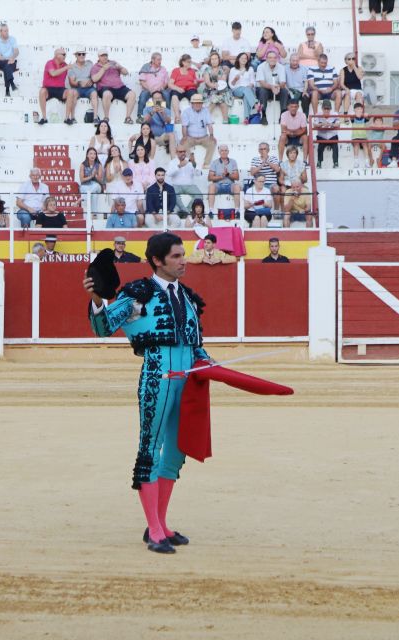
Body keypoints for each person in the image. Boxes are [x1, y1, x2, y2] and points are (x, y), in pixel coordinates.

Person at [84, 231, 213, 553]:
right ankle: (154, 530)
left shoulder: (187, 297)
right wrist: (99, 300)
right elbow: (103, 329)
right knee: (149, 449)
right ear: (157, 260)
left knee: (174, 452)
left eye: (184, 255)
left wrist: (209, 363)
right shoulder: (138, 293)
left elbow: (195, 345)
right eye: (176, 256)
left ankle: (162, 523)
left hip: (186, 381)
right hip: (157, 376)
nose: (183, 261)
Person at [91, 51, 135, 124]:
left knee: (132, 94)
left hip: (119, 87)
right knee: (106, 94)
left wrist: (120, 67)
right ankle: (106, 117)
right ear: (99, 57)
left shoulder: (113, 63)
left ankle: (128, 117)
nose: (105, 57)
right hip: (105, 88)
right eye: (102, 55)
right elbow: (94, 79)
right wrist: (103, 69)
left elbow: (126, 72)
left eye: (106, 55)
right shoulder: (95, 67)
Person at [39, 47, 78, 125]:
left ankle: (67, 118)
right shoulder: (50, 63)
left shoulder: (65, 65)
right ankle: (44, 117)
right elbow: (53, 73)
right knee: (42, 91)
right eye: (63, 54)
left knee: (70, 92)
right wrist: (66, 68)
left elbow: (72, 75)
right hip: (48, 88)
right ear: (57, 55)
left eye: (65, 54)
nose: (65, 56)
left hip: (60, 89)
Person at [180, 94, 217, 169]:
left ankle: (206, 163)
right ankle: (191, 160)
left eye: (199, 103)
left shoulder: (205, 111)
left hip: (204, 137)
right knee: (183, 144)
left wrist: (212, 135)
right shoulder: (186, 112)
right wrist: (184, 137)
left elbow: (209, 124)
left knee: (213, 143)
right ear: (192, 104)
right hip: (191, 137)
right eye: (195, 103)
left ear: (202, 104)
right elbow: (184, 126)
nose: (198, 104)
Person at [167, 146, 203, 215]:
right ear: (176, 153)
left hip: (189, 185)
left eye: (184, 151)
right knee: (173, 195)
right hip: (176, 185)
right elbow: (169, 174)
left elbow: (198, 174)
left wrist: (194, 165)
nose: (183, 153)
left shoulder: (190, 161)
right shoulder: (172, 162)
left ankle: (187, 210)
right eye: (180, 152)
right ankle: (185, 211)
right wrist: (179, 166)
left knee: (199, 196)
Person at [254, 51, 285, 125]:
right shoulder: (261, 67)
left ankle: (283, 116)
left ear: (277, 59)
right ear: (266, 59)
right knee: (263, 91)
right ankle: (263, 115)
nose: (272, 59)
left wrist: (278, 87)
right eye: (270, 57)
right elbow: (262, 82)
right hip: (264, 89)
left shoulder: (281, 67)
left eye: (274, 57)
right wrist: (272, 87)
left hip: (276, 89)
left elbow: (283, 83)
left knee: (284, 91)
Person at [207, 145, 241, 212]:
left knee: (237, 186)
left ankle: (237, 210)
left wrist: (228, 174)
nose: (224, 152)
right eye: (222, 150)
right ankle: (211, 210)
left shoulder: (233, 161)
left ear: (228, 152)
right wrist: (221, 177)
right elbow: (209, 178)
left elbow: (237, 177)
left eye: (225, 150)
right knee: (211, 186)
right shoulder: (215, 162)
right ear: (219, 152)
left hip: (230, 185)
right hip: (218, 186)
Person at [0, 22, 19, 96]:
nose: (7, 32)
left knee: (7, 67)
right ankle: (12, 83)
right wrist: (9, 59)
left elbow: (16, 52)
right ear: (0, 31)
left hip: (11, 61)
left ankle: (7, 89)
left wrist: (13, 58)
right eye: (5, 31)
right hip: (1, 62)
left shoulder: (13, 39)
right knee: (6, 65)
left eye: (7, 30)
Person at [70, 49, 99, 116]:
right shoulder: (72, 67)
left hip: (89, 87)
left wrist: (92, 81)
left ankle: (95, 117)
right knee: (73, 94)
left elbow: (94, 75)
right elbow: (72, 82)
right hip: (78, 88)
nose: (81, 55)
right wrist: (79, 83)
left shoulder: (90, 64)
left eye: (83, 54)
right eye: (79, 54)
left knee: (94, 93)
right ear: (76, 55)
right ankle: (72, 117)